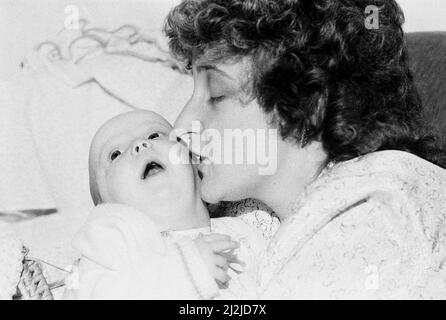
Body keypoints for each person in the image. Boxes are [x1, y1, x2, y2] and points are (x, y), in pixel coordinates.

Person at [165, 0, 446, 298]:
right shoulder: (246, 216)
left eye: (217, 95)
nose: (180, 127)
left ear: (309, 102)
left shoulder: (377, 212)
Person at [65, 110, 278, 299]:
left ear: (195, 162)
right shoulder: (108, 246)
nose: (140, 145)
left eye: (154, 135)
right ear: (103, 204)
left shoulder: (242, 233)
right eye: (115, 154)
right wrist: (185, 269)